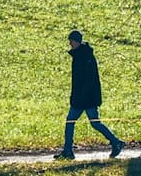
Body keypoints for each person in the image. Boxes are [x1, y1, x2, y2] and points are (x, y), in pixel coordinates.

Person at [54, 30, 126, 160]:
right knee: (86, 123)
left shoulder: (84, 57)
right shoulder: (81, 55)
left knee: (82, 122)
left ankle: (115, 142)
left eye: (71, 41)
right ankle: (68, 151)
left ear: (77, 41)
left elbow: (87, 80)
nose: (69, 43)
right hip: (83, 98)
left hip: (86, 99)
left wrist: (80, 97)